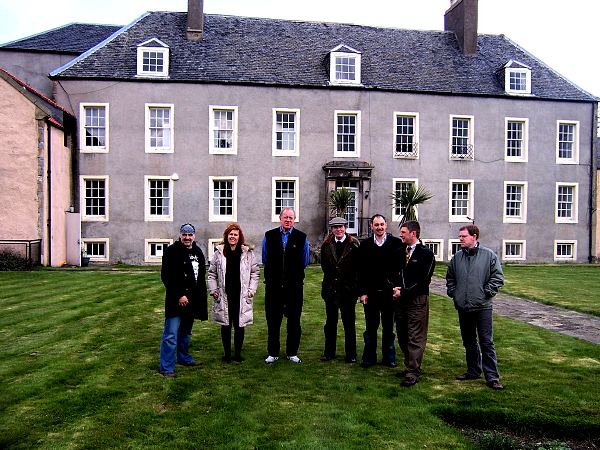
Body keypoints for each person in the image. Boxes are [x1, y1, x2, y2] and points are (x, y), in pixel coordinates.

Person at [446, 224, 505, 390]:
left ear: (474, 237)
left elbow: (498, 277)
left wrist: (486, 293)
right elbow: (450, 278)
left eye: (463, 236)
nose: (460, 239)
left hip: (482, 307)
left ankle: (492, 377)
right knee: (469, 341)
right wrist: (454, 293)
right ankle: (473, 370)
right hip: (463, 307)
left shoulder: (489, 255)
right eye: (460, 236)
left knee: (486, 342)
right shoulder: (457, 257)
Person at [262, 208, 309, 364]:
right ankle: (273, 353)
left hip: (294, 288)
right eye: (285, 217)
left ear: (294, 219)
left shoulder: (302, 237)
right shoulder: (269, 236)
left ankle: (292, 352)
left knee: (294, 321)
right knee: (273, 321)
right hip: (273, 287)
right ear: (280, 218)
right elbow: (265, 259)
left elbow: (304, 261)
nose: (288, 220)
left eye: (291, 218)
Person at [159, 223, 208, 378]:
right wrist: (179, 295)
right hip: (176, 301)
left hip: (192, 301)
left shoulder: (198, 252)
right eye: (184, 234)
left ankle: (183, 357)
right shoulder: (172, 251)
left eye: (190, 234)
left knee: (185, 333)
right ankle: (166, 367)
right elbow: (167, 276)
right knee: (171, 335)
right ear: (180, 235)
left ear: (194, 236)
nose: (187, 237)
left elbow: (200, 277)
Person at [208, 223, 260, 363]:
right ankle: (227, 355)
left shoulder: (247, 253)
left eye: (235, 234)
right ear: (226, 236)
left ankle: (237, 354)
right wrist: (213, 290)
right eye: (230, 234)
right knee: (225, 324)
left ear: (239, 237)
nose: (233, 237)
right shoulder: (219, 253)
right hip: (224, 295)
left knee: (239, 325)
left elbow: (255, 273)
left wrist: (251, 290)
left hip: (241, 295)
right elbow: (212, 274)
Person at [392, 220, 435, 387]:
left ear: (413, 233)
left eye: (403, 232)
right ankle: (409, 365)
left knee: (415, 337)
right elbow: (394, 273)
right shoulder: (399, 252)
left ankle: (413, 372)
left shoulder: (426, 254)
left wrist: (404, 291)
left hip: (417, 300)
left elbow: (423, 280)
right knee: (402, 334)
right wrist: (395, 288)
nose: (401, 235)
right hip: (400, 301)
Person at [357, 214, 403, 368]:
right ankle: (369, 357)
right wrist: (362, 292)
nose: (379, 227)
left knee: (388, 328)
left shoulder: (396, 244)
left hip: (389, 293)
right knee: (370, 328)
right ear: (371, 226)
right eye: (376, 225)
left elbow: (401, 269)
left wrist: (397, 288)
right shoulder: (365, 245)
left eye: (382, 224)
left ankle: (389, 357)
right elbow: (360, 272)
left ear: (386, 225)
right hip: (371, 293)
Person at [320, 216, 360, 363]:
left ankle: (351, 354)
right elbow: (325, 267)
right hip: (331, 290)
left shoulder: (354, 244)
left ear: (345, 228)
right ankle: (329, 352)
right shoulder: (326, 245)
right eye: (335, 227)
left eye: (341, 227)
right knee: (330, 323)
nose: (338, 230)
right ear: (332, 229)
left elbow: (358, 268)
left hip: (348, 291)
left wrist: (353, 287)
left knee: (349, 323)